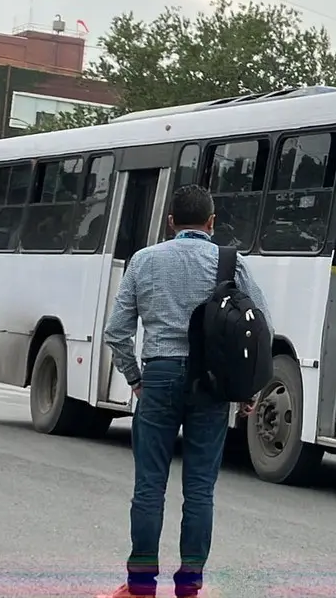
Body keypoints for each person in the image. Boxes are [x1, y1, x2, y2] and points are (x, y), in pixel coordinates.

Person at [102, 184, 272, 598]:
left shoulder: (144, 261)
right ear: (212, 223)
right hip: (211, 385)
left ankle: (140, 585)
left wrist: (135, 378)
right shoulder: (232, 264)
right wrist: (248, 389)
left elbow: (116, 332)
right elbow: (261, 328)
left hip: (158, 377)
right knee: (199, 489)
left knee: (149, 486)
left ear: (170, 221)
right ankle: (190, 586)